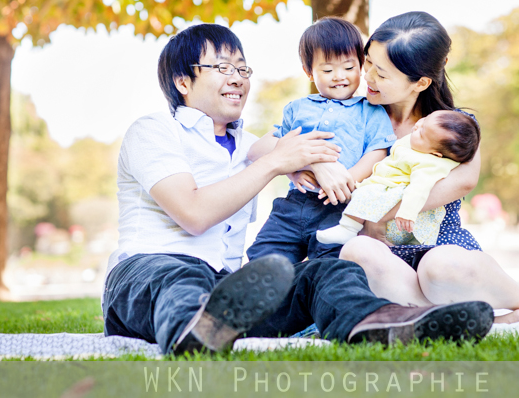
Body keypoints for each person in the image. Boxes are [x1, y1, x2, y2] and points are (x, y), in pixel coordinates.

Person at [102, 22, 495, 355]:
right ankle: (195, 337)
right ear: (182, 80)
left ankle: (386, 323)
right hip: (148, 273)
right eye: (222, 67)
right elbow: (193, 214)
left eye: (243, 68)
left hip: (226, 290)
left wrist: (316, 161)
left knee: (327, 272)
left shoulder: (248, 143)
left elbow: (296, 150)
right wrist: (282, 162)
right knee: (178, 277)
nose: (238, 77)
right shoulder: (154, 130)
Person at [328, 12, 519, 325]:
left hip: (441, 244)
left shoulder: (455, 128)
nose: (367, 76)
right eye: (367, 61)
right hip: (382, 253)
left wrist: (375, 210)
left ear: (421, 82)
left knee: (439, 266)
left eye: (381, 74)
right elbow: (296, 150)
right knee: (358, 250)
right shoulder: (353, 119)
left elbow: (463, 181)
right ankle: (475, 320)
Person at [246, 17, 397, 263]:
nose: (339, 76)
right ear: (309, 72)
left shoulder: (370, 110)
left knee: (332, 262)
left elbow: (378, 151)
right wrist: (293, 170)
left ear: (361, 66)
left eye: (349, 68)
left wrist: (346, 182)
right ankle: (257, 296)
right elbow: (272, 148)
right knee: (266, 255)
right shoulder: (297, 108)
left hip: (339, 206)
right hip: (295, 202)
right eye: (327, 70)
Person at [316, 109, 480, 246]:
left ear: (435, 153)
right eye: (424, 120)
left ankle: (347, 229)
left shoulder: (429, 164)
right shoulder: (418, 144)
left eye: (422, 133)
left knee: (368, 194)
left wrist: (406, 213)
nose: (417, 126)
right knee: (363, 192)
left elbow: (418, 189)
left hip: (402, 214)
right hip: (390, 203)